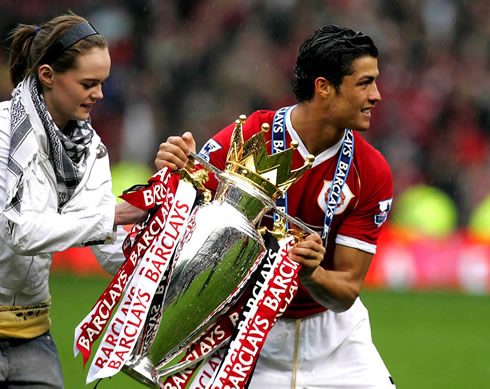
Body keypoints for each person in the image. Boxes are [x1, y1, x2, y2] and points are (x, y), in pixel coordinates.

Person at [155, 25, 395, 388]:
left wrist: (312, 273)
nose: (376, 95)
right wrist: (174, 171)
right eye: (364, 83)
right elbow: (181, 216)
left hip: (338, 342)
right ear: (324, 86)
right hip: (251, 335)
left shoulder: (372, 171)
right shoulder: (250, 136)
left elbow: (346, 290)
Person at [0, 12, 146, 387]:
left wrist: (165, 254)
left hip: (31, 334)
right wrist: (113, 216)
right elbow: (20, 232)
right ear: (48, 75)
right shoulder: (4, 135)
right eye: (88, 83)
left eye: (102, 83)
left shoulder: (89, 147)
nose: (99, 94)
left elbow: (108, 248)